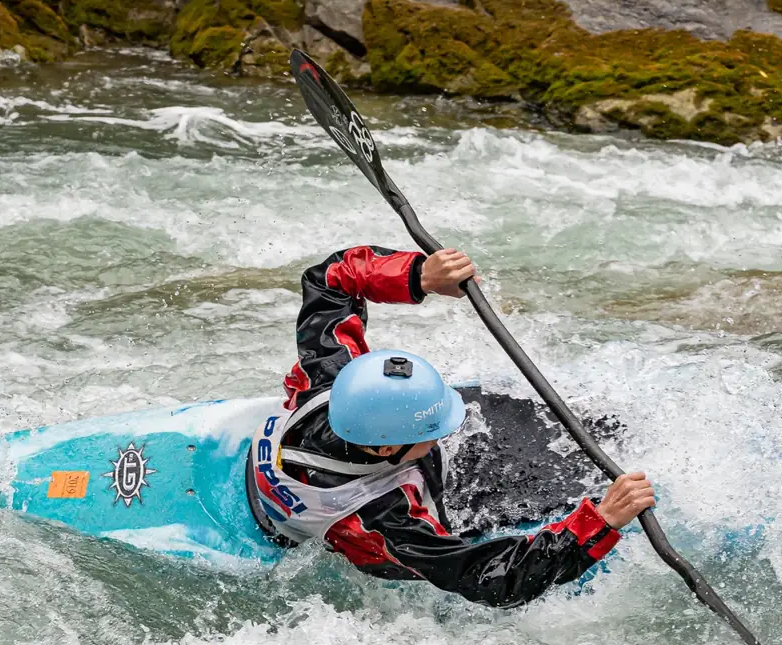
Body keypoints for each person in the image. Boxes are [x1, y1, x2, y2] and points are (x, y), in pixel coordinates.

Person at [247, 244, 656, 607]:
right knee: (578, 473)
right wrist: (599, 522)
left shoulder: (329, 378)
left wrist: (418, 275)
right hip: (422, 502)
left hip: (370, 468)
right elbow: (493, 578)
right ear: (388, 448)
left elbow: (330, 280)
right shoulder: (385, 519)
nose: (448, 430)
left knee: (596, 428)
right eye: (434, 429)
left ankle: (625, 430)